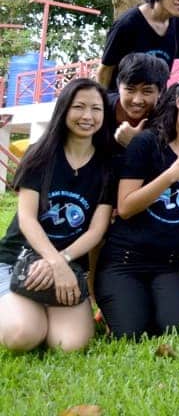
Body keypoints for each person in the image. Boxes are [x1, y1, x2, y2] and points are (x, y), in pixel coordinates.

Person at [95, 72, 179, 339]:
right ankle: (115, 305)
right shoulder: (145, 144)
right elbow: (127, 206)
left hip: (169, 264)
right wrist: (169, 176)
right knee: (131, 333)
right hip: (125, 261)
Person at [0, 79, 113, 352]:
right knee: (22, 336)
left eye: (96, 109)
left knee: (68, 345)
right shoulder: (40, 154)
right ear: (64, 110)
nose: (88, 116)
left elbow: (96, 231)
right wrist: (54, 262)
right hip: (20, 256)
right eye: (79, 107)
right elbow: (27, 219)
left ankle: (41, 305)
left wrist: (62, 263)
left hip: (70, 262)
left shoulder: (108, 164)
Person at [108, 53, 170, 150]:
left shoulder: (167, 120)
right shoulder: (100, 108)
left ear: (160, 92)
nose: (137, 100)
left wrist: (134, 144)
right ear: (118, 86)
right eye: (130, 89)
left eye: (147, 91)